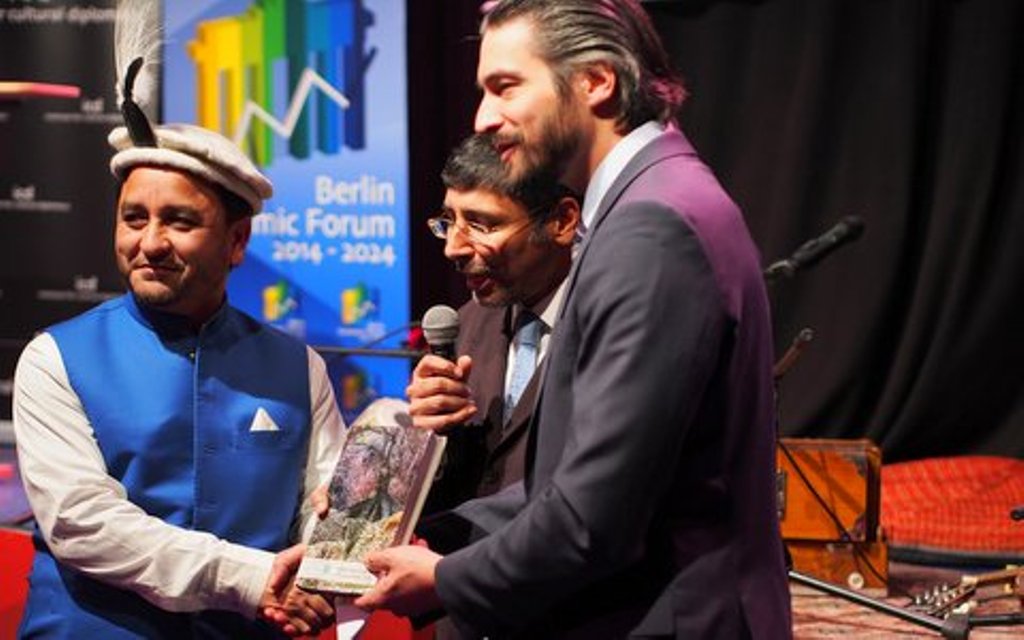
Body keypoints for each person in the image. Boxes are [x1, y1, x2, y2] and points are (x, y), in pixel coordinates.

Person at [355, 1, 792, 638]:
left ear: (595, 81)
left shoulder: (649, 226)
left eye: (506, 86)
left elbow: (593, 518)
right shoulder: (658, 196)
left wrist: (444, 578)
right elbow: (568, 485)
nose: (484, 118)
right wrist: (397, 540)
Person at [12, 114, 343, 635]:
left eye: (180, 222)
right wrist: (253, 578)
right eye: (133, 218)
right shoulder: (53, 357)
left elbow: (327, 507)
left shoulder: (299, 367)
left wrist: (322, 565)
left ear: (237, 241)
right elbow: (82, 522)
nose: (151, 243)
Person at [411, 133, 580, 518]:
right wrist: (431, 441)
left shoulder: (610, 327)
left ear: (562, 221)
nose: (453, 248)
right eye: (449, 222)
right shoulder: (466, 327)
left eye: (481, 224)